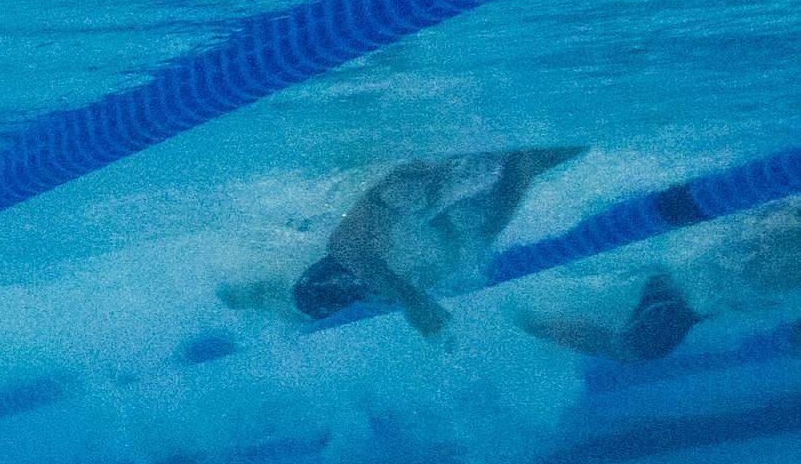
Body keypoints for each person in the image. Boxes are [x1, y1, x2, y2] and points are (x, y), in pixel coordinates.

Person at [276, 148, 586, 338]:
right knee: (519, 174)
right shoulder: (378, 280)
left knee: (516, 170)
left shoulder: (347, 245)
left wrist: (414, 302)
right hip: (457, 195)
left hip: (442, 178)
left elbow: (365, 264)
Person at [518, 199, 801, 364]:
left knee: (637, 342)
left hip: (691, 280)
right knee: (640, 347)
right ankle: (526, 322)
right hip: (685, 285)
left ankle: (529, 322)